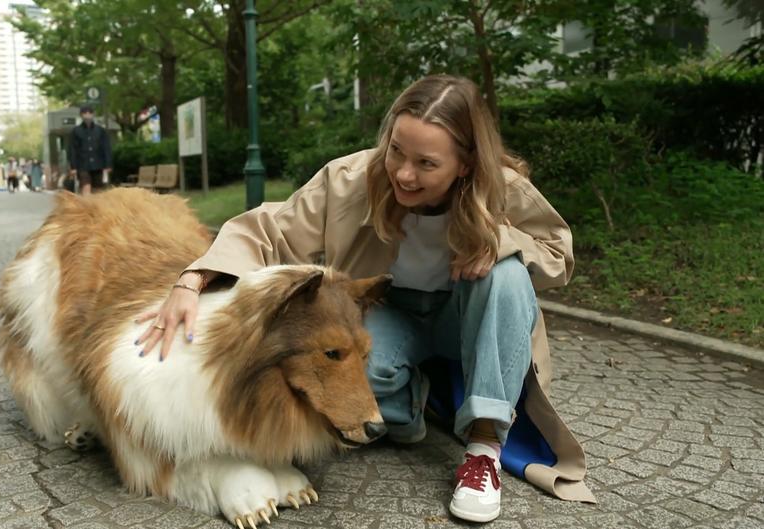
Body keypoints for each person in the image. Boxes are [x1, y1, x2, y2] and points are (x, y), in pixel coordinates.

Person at [135, 75, 594, 522]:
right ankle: (411, 399)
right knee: (350, 393)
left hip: (468, 317)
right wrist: (191, 282)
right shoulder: (351, 179)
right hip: (389, 316)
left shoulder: (503, 189)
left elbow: (558, 254)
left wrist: (498, 242)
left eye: (427, 164)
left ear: (467, 164)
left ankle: (483, 447)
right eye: (396, 150)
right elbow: (268, 231)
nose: (404, 173)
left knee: (506, 274)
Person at [67, 105, 112, 195]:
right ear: (81, 115)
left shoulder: (100, 130)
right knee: (85, 185)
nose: (87, 115)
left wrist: (108, 164)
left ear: (93, 114)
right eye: (85, 113)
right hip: (82, 164)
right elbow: (72, 149)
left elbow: (106, 147)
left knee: (98, 189)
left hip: (98, 163)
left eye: (90, 113)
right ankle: (86, 206)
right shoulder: (76, 131)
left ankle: (96, 207)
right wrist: (73, 167)